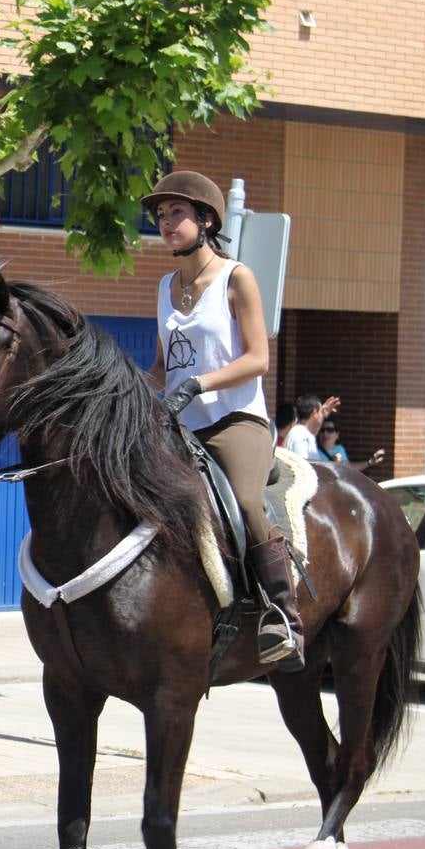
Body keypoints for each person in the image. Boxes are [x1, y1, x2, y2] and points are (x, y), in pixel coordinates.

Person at [143, 170, 304, 671]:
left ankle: (283, 614)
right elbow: (162, 366)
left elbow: (258, 359)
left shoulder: (238, 278)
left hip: (236, 421)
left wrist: (199, 384)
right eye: (161, 216)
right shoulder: (166, 287)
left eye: (177, 214)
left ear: (207, 219)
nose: (166, 223)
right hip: (178, 425)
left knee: (247, 500)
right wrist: (133, 395)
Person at [282, 393, 340, 461]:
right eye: (321, 411)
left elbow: (314, 431)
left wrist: (322, 415)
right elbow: (303, 466)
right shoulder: (300, 436)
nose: (322, 414)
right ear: (315, 413)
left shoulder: (302, 433)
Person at [317, 422, 387, 472]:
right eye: (322, 430)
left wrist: (369, 462)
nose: (325, 433)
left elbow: (348, 467)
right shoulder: (313, 449)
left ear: (337, 434)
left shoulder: (339, 449)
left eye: (329, 430)